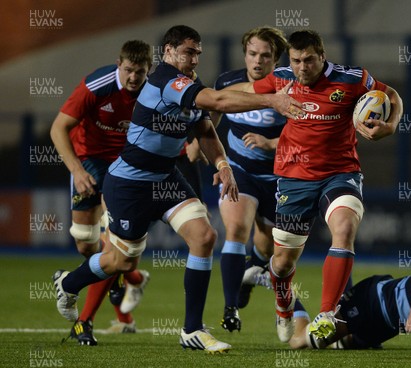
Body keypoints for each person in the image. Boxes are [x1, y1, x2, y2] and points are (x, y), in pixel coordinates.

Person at [52, 24, 303, 354]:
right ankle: (68, 283)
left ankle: (192, 331)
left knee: (205, 236)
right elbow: (216, 100)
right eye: (188, 51)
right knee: (122, 261)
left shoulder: (189, 85)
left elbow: (204, 128)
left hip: (166, 178)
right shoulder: (165, 80)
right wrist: (272, 99)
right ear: (168, 52)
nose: (195, 58)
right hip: (130, 182)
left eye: (198, 52)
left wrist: (223, 166)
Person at [224, 29, 402, 344]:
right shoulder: (280, 79)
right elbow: (244, 90)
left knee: (344, 229)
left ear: (322, 56)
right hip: (294, 179)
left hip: (340, 173)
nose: (302, 67)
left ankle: (326, 315)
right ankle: (283, 304)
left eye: (308, 60)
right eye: (295, 61)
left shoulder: (352, 79)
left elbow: (391, 95)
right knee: (281, 263)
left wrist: (390, 125)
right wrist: (207, 99)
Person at [49, 40, 153, 345]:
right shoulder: (98, 84)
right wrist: (77, 171)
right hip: (88, 162)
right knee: (85, 245)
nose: (134, 77)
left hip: (125, 167)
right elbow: (58, 128)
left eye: (141, 71)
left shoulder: (152, 92)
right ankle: (132, 278)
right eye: (129, 70)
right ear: (119, 64)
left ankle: (85, 322)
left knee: (113, 247)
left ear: (149, 69)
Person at [247, 246, 411, 352]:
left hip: (386, 327)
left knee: (346, 348)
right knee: (300, 343)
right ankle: (282, 290)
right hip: (369, 303)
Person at [210, 26, 289, 333]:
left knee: (269, 247)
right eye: (252, 54)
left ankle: (250, 273)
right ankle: (230, 309)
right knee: (236, 229)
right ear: (244, 54)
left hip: (279, 177)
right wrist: (196, 143)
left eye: (266, 56)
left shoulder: (290, 86)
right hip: (239, 170)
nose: (258, 61)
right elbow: (212, 114)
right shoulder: (227, 82)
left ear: (277, 59)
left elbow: (307, 133)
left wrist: (271, 144)